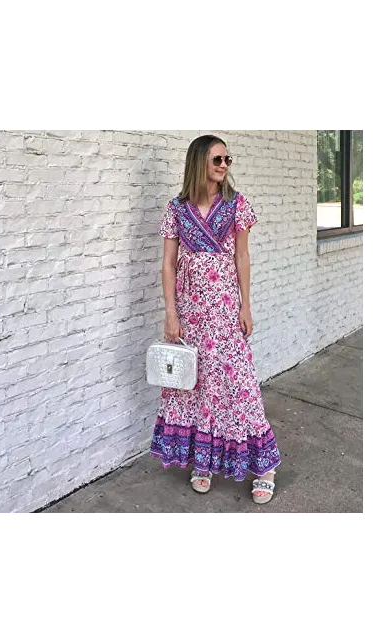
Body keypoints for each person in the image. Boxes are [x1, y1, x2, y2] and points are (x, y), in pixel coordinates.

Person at [150, 135, 281, 504]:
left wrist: (246, 306)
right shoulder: (177, 209)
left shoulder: (237, 205)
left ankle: (265, 466)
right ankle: (203, 461)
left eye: (228, 159)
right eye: (217, 159)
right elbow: (168, 264)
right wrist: (171, 312)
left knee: (239, 384)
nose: (225, 165)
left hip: (224, 310)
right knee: (195, 386)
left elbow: (242, 257)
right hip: (190, 312)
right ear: (199, 163)